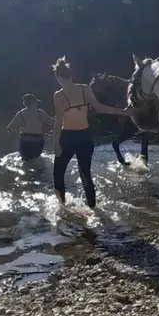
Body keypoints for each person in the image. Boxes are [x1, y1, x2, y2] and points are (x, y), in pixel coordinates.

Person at [52, 57, 132, 208]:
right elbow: (101, 107)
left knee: (58, 174)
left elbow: (58, 120)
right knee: (85, 174)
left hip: (67, 137)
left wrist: (56, 142)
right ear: (70, 75)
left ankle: (62, 207)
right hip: (85, 136)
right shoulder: (84, 88)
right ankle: (93, 209)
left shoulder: (59, 95)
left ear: (58, 77)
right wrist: (123, 112)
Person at [7, 93, 54, 161]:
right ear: (33, 103)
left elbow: (9, 128)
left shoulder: (20, 114)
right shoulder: (40, 112)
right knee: (36, 160)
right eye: (36, 102)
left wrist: (18, 129)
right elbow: (53, 122)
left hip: (25, 140)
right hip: (38, 140)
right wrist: (48, 128)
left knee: (25, 161)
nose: (37, 104)